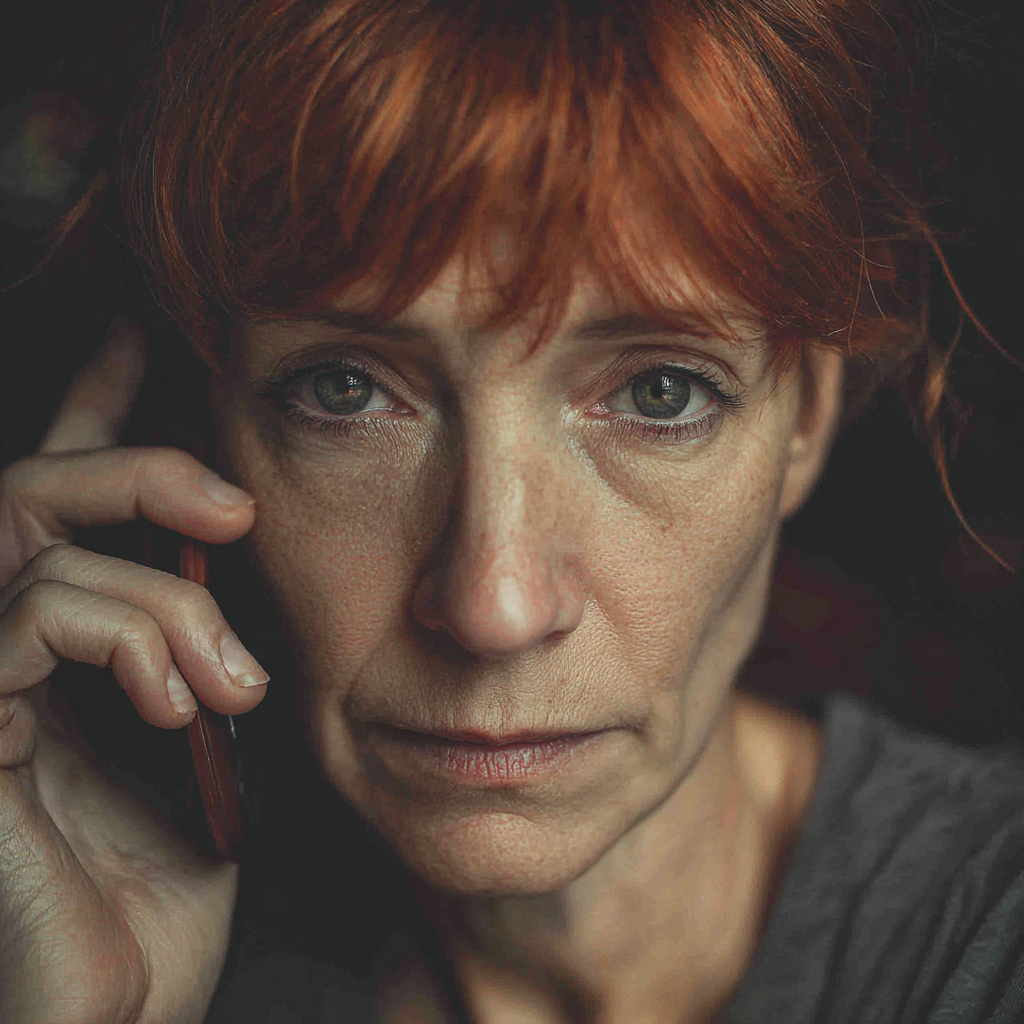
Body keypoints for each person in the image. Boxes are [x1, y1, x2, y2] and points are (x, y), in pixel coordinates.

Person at [1, 1, 1022, 1022]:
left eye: (659, 392)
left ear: (803, 417)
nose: (495, 607)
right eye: (346, 392)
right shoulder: (165, 957)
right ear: (194, 433)